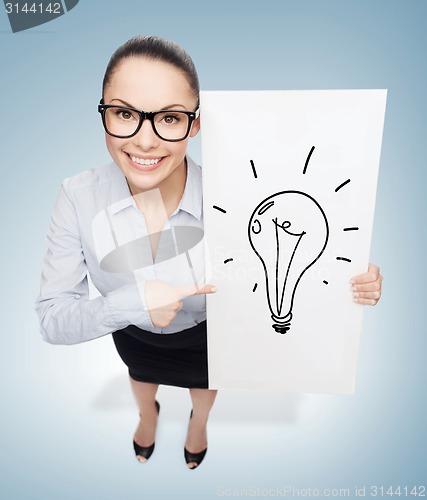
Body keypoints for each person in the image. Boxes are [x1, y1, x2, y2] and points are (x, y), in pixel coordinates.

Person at [35, 35, 383, 469]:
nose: (146, 141)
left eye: (169, 117)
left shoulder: (238, 196)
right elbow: (52, 320)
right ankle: (147, 417)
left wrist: (350, 279)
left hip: (207, 338)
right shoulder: (76, 197)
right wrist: (134, 303)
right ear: (103, 113)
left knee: (203, 390)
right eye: (124, 113)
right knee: (141, 378)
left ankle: (198, 426)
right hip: (130, 331)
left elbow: (281, 255)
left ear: (194, 125)